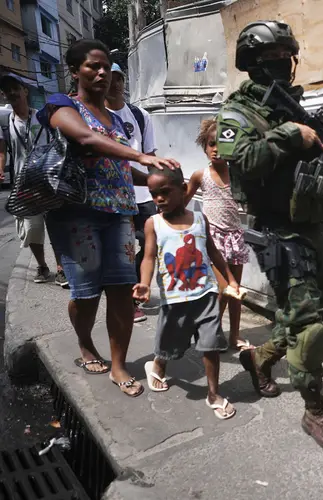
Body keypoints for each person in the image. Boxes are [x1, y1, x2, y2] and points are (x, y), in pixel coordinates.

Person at [216, 21, 323, 453]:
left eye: (285, 55)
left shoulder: (297, 109)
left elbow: (315, 168)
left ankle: (259, 359)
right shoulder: (236, 115)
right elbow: (242, 160)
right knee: (309, 326)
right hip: (277, 230)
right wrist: (290, 134)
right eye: (270, 57)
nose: (280, 63)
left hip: (315, 225)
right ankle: (315, 411)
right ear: (252, 64)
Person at [38, 39, 180, 397]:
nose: (101, 73)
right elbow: (86, 139)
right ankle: (86, 345)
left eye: (106, 67)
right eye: (92, 66)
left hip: (119, 212)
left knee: (121, 292)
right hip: (76, 216)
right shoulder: (61, 106)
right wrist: (141, 156)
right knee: (86, 294)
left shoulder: (117, 119)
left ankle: (119, 364)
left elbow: (119, 168)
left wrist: (158, 178)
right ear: (75, 71)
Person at [133, 167, 240, 420]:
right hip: (174, 299)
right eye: (153, 194)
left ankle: (213, 393)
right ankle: (158, 364)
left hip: (206, 294)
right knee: (171, 342)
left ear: (183, 190)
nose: (159, 199)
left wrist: (231, 280)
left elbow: (213, 253)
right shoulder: (154, 223)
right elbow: (148, 257)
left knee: (211, 344)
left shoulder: (200, 219)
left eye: (165, 192)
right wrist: (145, 283)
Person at [186, 118, 252, 350]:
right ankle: (211, 332)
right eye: (211, 144)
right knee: (225, 289)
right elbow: (181, 202)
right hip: (212, 240)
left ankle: (234, 335)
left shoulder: (239, 177)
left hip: (235, 237)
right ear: (204, 147)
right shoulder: (200, 176)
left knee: (235, 292)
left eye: (222, 144)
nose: (216, 150)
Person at [0, 74, 68, 286]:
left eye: (15, 88)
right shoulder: (5, 123)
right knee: (32, 228)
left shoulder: (42, 117)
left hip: (47, 181)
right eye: (7, 90)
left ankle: (60, 268)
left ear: (25, 91)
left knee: (55, 225)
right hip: (24, 184)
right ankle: (42, 266)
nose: (12, 93)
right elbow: (2, 150)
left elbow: (59, 144)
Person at [106, 62, 158, 323]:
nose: (115, 84)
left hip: (144, 196)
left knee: (150, 244)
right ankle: (129, 298)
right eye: (111, 78)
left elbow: (150, 156)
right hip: (115, 197)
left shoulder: (140, 115)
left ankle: (138, 287)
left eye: (119, 78)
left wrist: (157, 184)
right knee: (123, 250)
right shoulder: (96, 118)